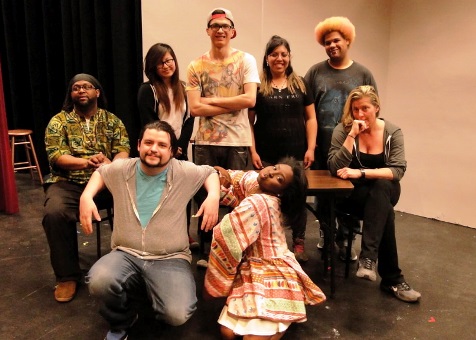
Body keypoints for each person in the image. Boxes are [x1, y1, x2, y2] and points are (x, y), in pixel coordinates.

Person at [79, 121, 220, 339]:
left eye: (162, 145)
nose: (154, 148)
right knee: (100, 281)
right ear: (138, 145)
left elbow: (210, 173)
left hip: (170, 257)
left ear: (172, 151)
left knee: (177, 314)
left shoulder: (183, 171)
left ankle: (148, 297)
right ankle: (121, 321)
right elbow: (101, 172)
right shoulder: (123, 169)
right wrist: (86, 196)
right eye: (149, 142)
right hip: (126, 252)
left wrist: (213, 197)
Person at [205, 157, 326, 339]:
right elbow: (234, 176)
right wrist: (219, 175)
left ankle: (281, 321)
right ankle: (278, 321)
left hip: (273, 268)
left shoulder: (261, 202)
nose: (271, 172)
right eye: (275, 167)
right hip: (253, 265)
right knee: (227, 333)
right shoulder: (255, 180)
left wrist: (216, 282)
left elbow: (227, 237)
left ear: (282, 193)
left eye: (279, 179)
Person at [327, 85, 421, 303]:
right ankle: (391, 278)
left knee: (381, 187)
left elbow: (397, 170)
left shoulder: (392, 132)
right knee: (384, 210)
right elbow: (333, 166)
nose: (360, 114)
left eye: (365, 108)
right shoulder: (343, 130)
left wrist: (359, 172)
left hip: (383, 190)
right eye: (355, 109)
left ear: (376, 108)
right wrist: (351, 135)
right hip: (353, 196)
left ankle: (368, 259)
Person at [42, 73, 130, 303]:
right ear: (71, 94)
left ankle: (129, 264)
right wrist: (87, 162)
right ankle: (67, 276)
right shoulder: (58, 122)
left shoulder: (112, 121)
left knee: (133, 201)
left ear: (97, 92)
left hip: (104, 182)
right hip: (68, 183)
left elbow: (123, 149)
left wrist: (113, 164)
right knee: (54, 213)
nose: (81, 91)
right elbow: (57, 156)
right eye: (76, 88)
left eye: (87, 87)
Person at [186, 7, 260, 267]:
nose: (220, 30)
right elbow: (194, 108)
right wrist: (233, 102)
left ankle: (233, 251)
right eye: (214, 25)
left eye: (225, 25)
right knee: (206, 196)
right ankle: (207, 252)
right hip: (205, 141)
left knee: (237, 197)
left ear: (233, 31)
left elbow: (250, 99)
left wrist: (211, 100)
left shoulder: (246, 61)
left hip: (238, 140)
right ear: (207, 30)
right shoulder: (195, 65)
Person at [304, 16, 378, 259]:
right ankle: (326, 232)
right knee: (323, 192)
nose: (332, 45)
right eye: (327, 42)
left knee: (349, 190)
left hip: (354, 145)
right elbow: (307, 110)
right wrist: (311, 143)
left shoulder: (363, 73)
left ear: (347, 40)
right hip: (323, 144)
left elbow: (373, 108)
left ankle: (346, 239)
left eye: (336, 40)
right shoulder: (315, 72)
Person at [249, 35, 317, 262]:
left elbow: (311, 118)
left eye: (284, 54)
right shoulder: (258, 85)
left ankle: (298, 242)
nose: (279, 58)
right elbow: (248, 122)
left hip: (296, 154)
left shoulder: (300, 83)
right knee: (267, 199)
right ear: (267, 58)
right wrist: (253, 151)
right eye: (274, 54)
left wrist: (311, 148)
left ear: (289, 57)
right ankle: (268, 242)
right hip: (267, 154)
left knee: (298, 196)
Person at [137, 42, 198, 249]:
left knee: (182, 193)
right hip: (159, 151)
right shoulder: (148, 90)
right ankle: (156, 234)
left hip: (178, 151)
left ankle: (184, 233)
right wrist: (168, 147)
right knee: (159, 195)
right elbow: (150, 123)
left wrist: (179, 146)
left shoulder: (183, 87)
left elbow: (189, 119)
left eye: (169, 60)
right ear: (152, 66)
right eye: (160, 62)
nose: (166, 65)